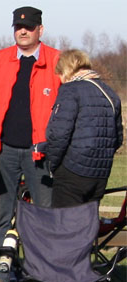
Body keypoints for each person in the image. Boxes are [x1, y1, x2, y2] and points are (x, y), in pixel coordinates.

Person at [0, 6, 61, 281]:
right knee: (0, 217)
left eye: (29, 27)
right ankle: (0, 278)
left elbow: (67, 106)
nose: (23, 31)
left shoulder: (57, 62)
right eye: (18, 27)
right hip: (4, 152)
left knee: (44, 217)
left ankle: (43, 276)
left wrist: (50, 140)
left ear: (40, 30)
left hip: (41, 154)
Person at [45, 49, 123, 207]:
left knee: (64, 219)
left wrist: (52, 165)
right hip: (100, 174)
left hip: (72, 171)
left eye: (60, 74)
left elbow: (58, 134)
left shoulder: (70, 90)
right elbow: (118, 138)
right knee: (88, 220)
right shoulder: (110, 93)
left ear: (66, 70)